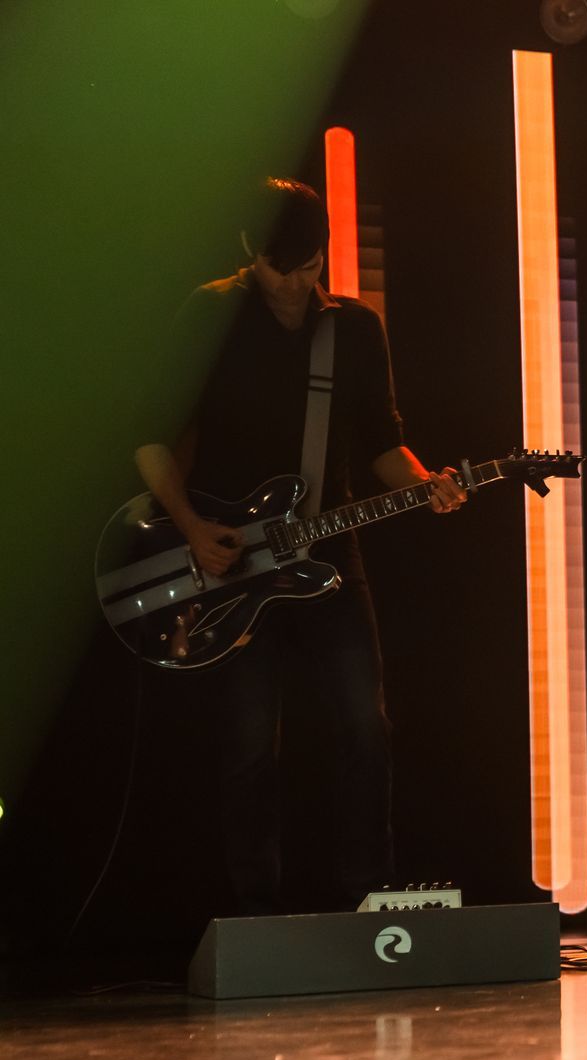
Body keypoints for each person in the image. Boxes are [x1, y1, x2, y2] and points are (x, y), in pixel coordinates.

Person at [134, 177, 467, 915]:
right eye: (282, 269)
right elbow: (153, 440)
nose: (295, 285)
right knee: (250, 740)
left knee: (364, 725)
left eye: (311, 268)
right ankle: (254, 912)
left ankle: (370, 899)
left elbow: (385, 444)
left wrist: (429, 484)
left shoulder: (354, 330)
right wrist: (192, 530)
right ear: (251, 253)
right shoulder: (211, 315)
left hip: (328, 553)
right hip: (226, 561)